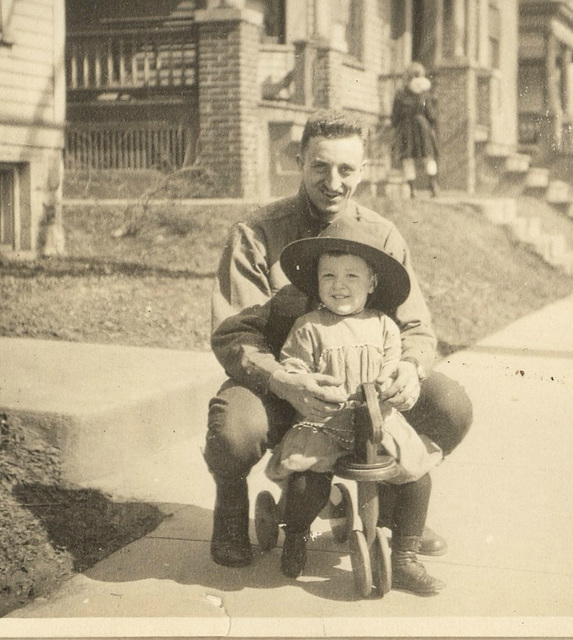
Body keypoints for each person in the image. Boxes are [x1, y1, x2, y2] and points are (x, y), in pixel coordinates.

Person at [205, 108, 472, 572]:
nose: (333, 182)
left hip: (364, 387)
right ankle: (230, 508)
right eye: (320, 167)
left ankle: (395, 508)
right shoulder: (257, 234)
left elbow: (416, 326)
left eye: (346, 169)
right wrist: (284, 382)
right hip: (281, 385)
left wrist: (409, 368)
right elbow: (235, 332)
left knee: (451, 406)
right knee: (233, 431)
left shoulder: (382, 235)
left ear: (362, 171)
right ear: (299, 162)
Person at [265, 218, 445, 594]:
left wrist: (392, 378)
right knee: (304, 487)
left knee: (417, 477)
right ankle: (296, 532)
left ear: (372, 283)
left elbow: (394, 363)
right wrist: (302, 380)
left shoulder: (384, 326)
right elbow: (294, 366)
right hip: (325, 422)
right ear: (316, 283)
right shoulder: (309, 326)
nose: (339, 286)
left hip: (378, 421)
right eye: (328, 276)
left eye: (351, 276)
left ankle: (404, 557)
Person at [391, 62, 439, 198]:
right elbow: (431, 114)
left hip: (406, 127)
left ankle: (412, 190)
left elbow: (395, 115)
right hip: (423, 126)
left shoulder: (400, 93)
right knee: (429, 157)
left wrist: (396, 126)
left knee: (408, 159)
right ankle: (433, 185)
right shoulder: (424, 94)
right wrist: (431, 126)